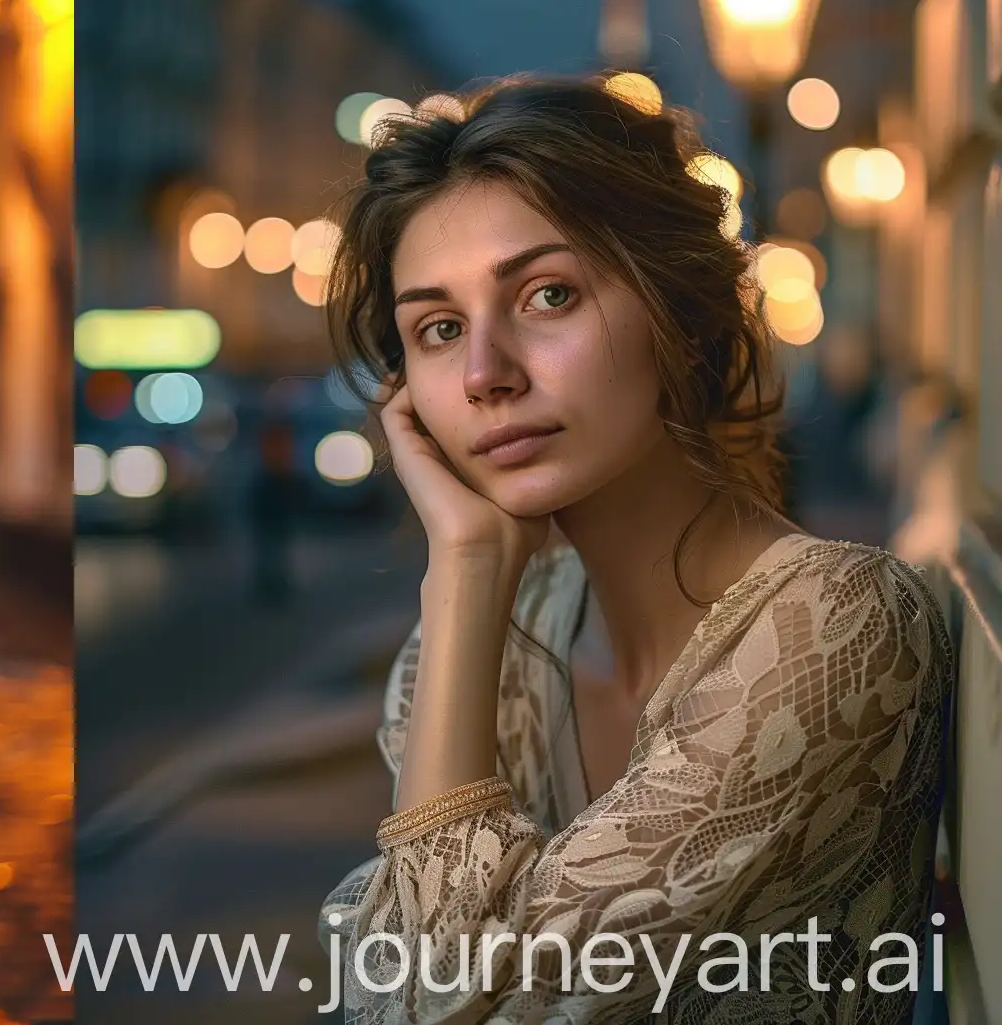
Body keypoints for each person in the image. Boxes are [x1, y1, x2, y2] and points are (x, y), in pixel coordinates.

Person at [319, 77, 950, 1024]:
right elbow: (387, 991)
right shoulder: (504, 621)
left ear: (682, 313)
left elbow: (431, 1004)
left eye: (547, 294)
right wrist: (469, 567)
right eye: (439, 330)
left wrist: (469, 574)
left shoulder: (836, 626)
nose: (487, 374)